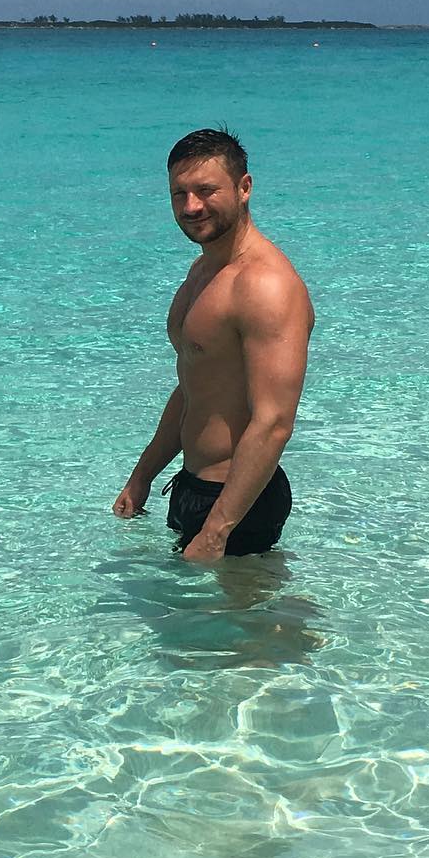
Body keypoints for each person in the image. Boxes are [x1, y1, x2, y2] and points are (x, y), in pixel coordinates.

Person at [112, 128, 314, 562]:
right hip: (194, 488)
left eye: (206, 191)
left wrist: (217, 530)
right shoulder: (203, 273)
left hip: (238, 502)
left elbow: (274, 422)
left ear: (244, 188)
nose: (191, 207)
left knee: (251, 605)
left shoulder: (265, 286)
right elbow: (195, 384)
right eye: (179, 194)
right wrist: (143, 474)